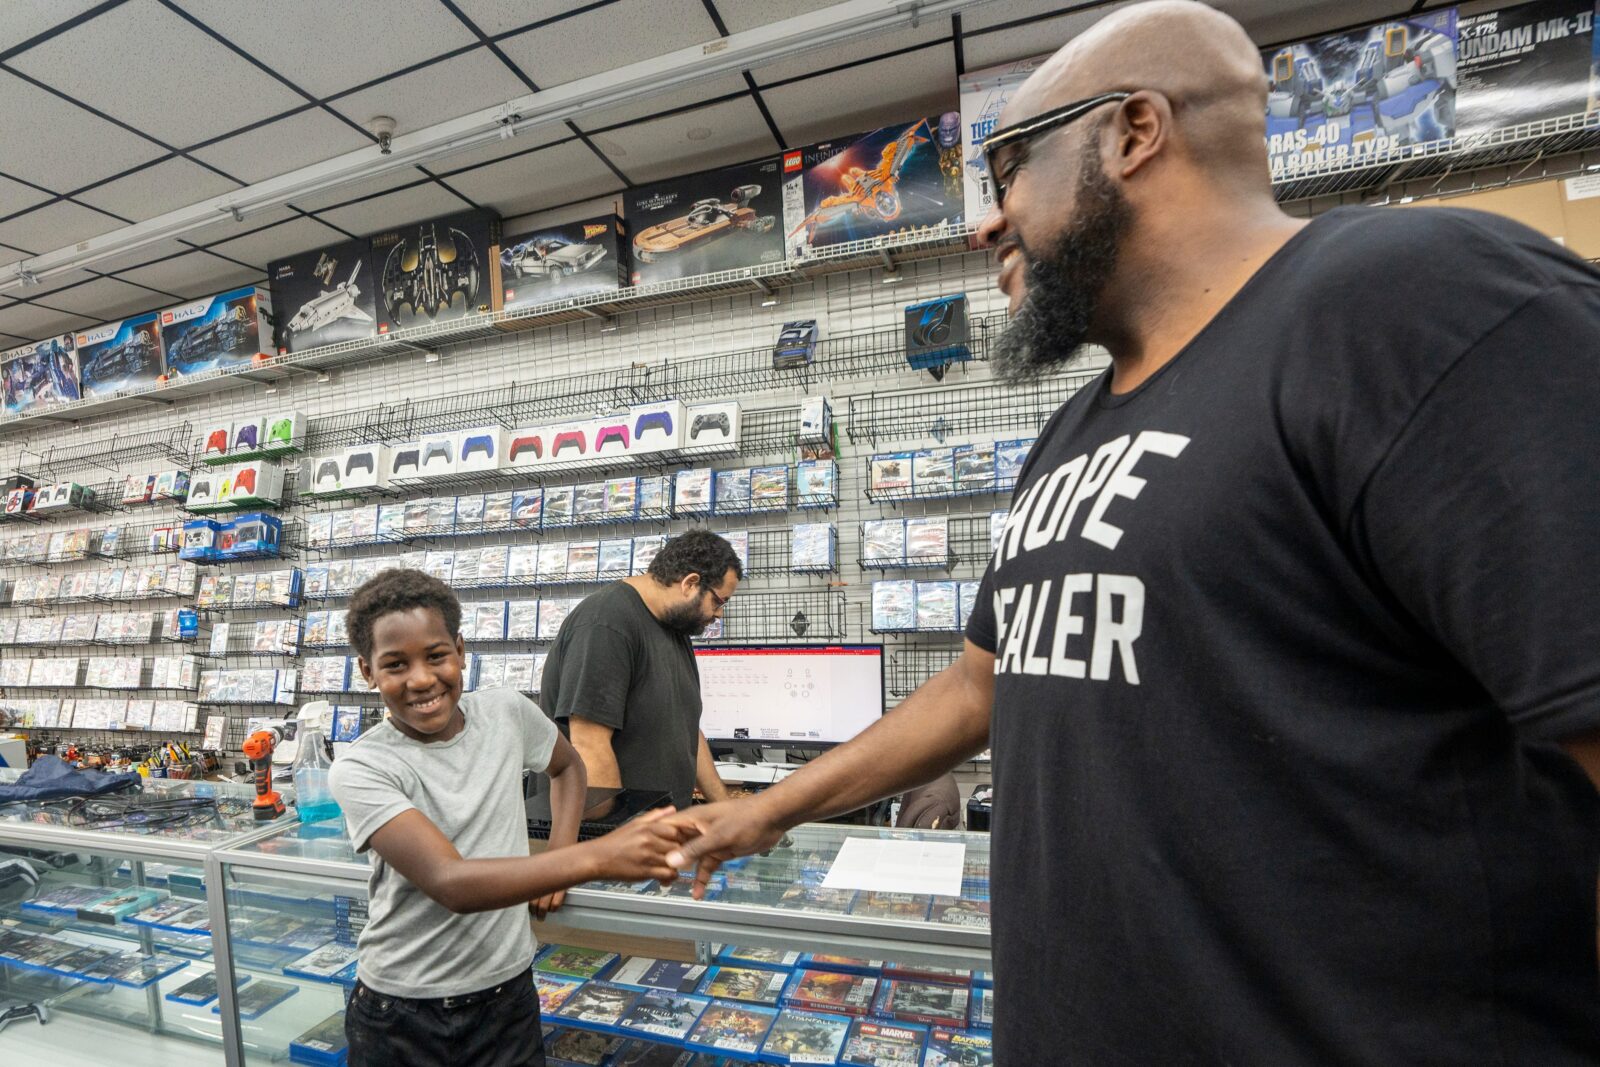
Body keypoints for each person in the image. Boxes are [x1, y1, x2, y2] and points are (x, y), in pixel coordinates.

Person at [663, 2, 1600, 1063]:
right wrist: (765, 810)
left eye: (1008, 166)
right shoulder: (1075, 427)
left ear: (1132, 132)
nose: (983, 221)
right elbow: (980, 682)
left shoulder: (1407, 299)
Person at [329, 569, 684, 1067]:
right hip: (401, 1013)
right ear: (367, 672)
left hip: (507, 997)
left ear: (460, 650)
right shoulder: (361, 767)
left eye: (436, 656)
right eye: (395, 664)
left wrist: (561, 849)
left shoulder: (505, 711)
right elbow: (451, 883)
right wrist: (595, 857)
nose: (422, 679)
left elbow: (568, 767)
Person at [540, 528, 740, 810]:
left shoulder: (675, 628)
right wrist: (618, 841)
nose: (719, 613)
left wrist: (725, 810)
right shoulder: (606, 623)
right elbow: (589, 745)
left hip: (655, 832)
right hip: (617, 838)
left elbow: (687, 731)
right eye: (720, 601)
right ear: (690, 583)